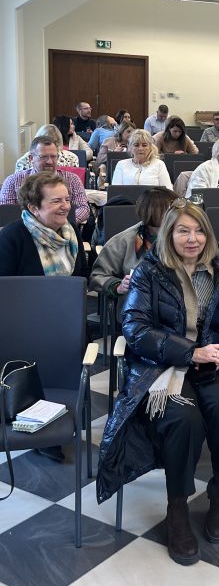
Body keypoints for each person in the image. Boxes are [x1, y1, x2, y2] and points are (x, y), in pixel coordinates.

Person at [97, 200, 219, 565]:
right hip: (163, 366)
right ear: (169, 234)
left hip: (216, 363)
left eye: (199, 230)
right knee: (184, 419)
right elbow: (135, 328)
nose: (192, 238)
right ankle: (177, 508)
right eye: (183, 230)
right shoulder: (149, 272)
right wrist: (191, 352)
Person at [0, 172, 88, 463]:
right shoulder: (13, 236)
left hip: (66, 325)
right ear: (34, 208)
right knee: (31, 383)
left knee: (68, 374)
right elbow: (5, 291)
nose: (66, 206)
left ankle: (56, 424)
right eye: (56, 201)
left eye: (67, 199)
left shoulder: (71, 233)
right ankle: (36, 430)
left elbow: (83, 277)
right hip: (24, 328)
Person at [89, 187, 178, 315]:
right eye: (171, 209)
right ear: (154, 213)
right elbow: (98, 276)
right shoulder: (124, 241)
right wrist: (118, 286)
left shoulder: (187, 238)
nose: (178, 214)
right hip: (138, 312)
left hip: (181, 311)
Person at [1, 136, 90, 224]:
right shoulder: (13, 181)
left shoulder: (72, 179)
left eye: (53, 156)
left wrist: (62, 222)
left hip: (63, 229)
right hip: (24, 230)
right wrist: (38, 225)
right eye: (43, 157)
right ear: (31, 158)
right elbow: (6, 212)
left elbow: (83, 208)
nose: (49, 161)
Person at [15, 123, 79, 171]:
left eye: (55, 143)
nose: (49, 161)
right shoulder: (23, 161)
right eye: (43, 156)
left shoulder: (72, 158)